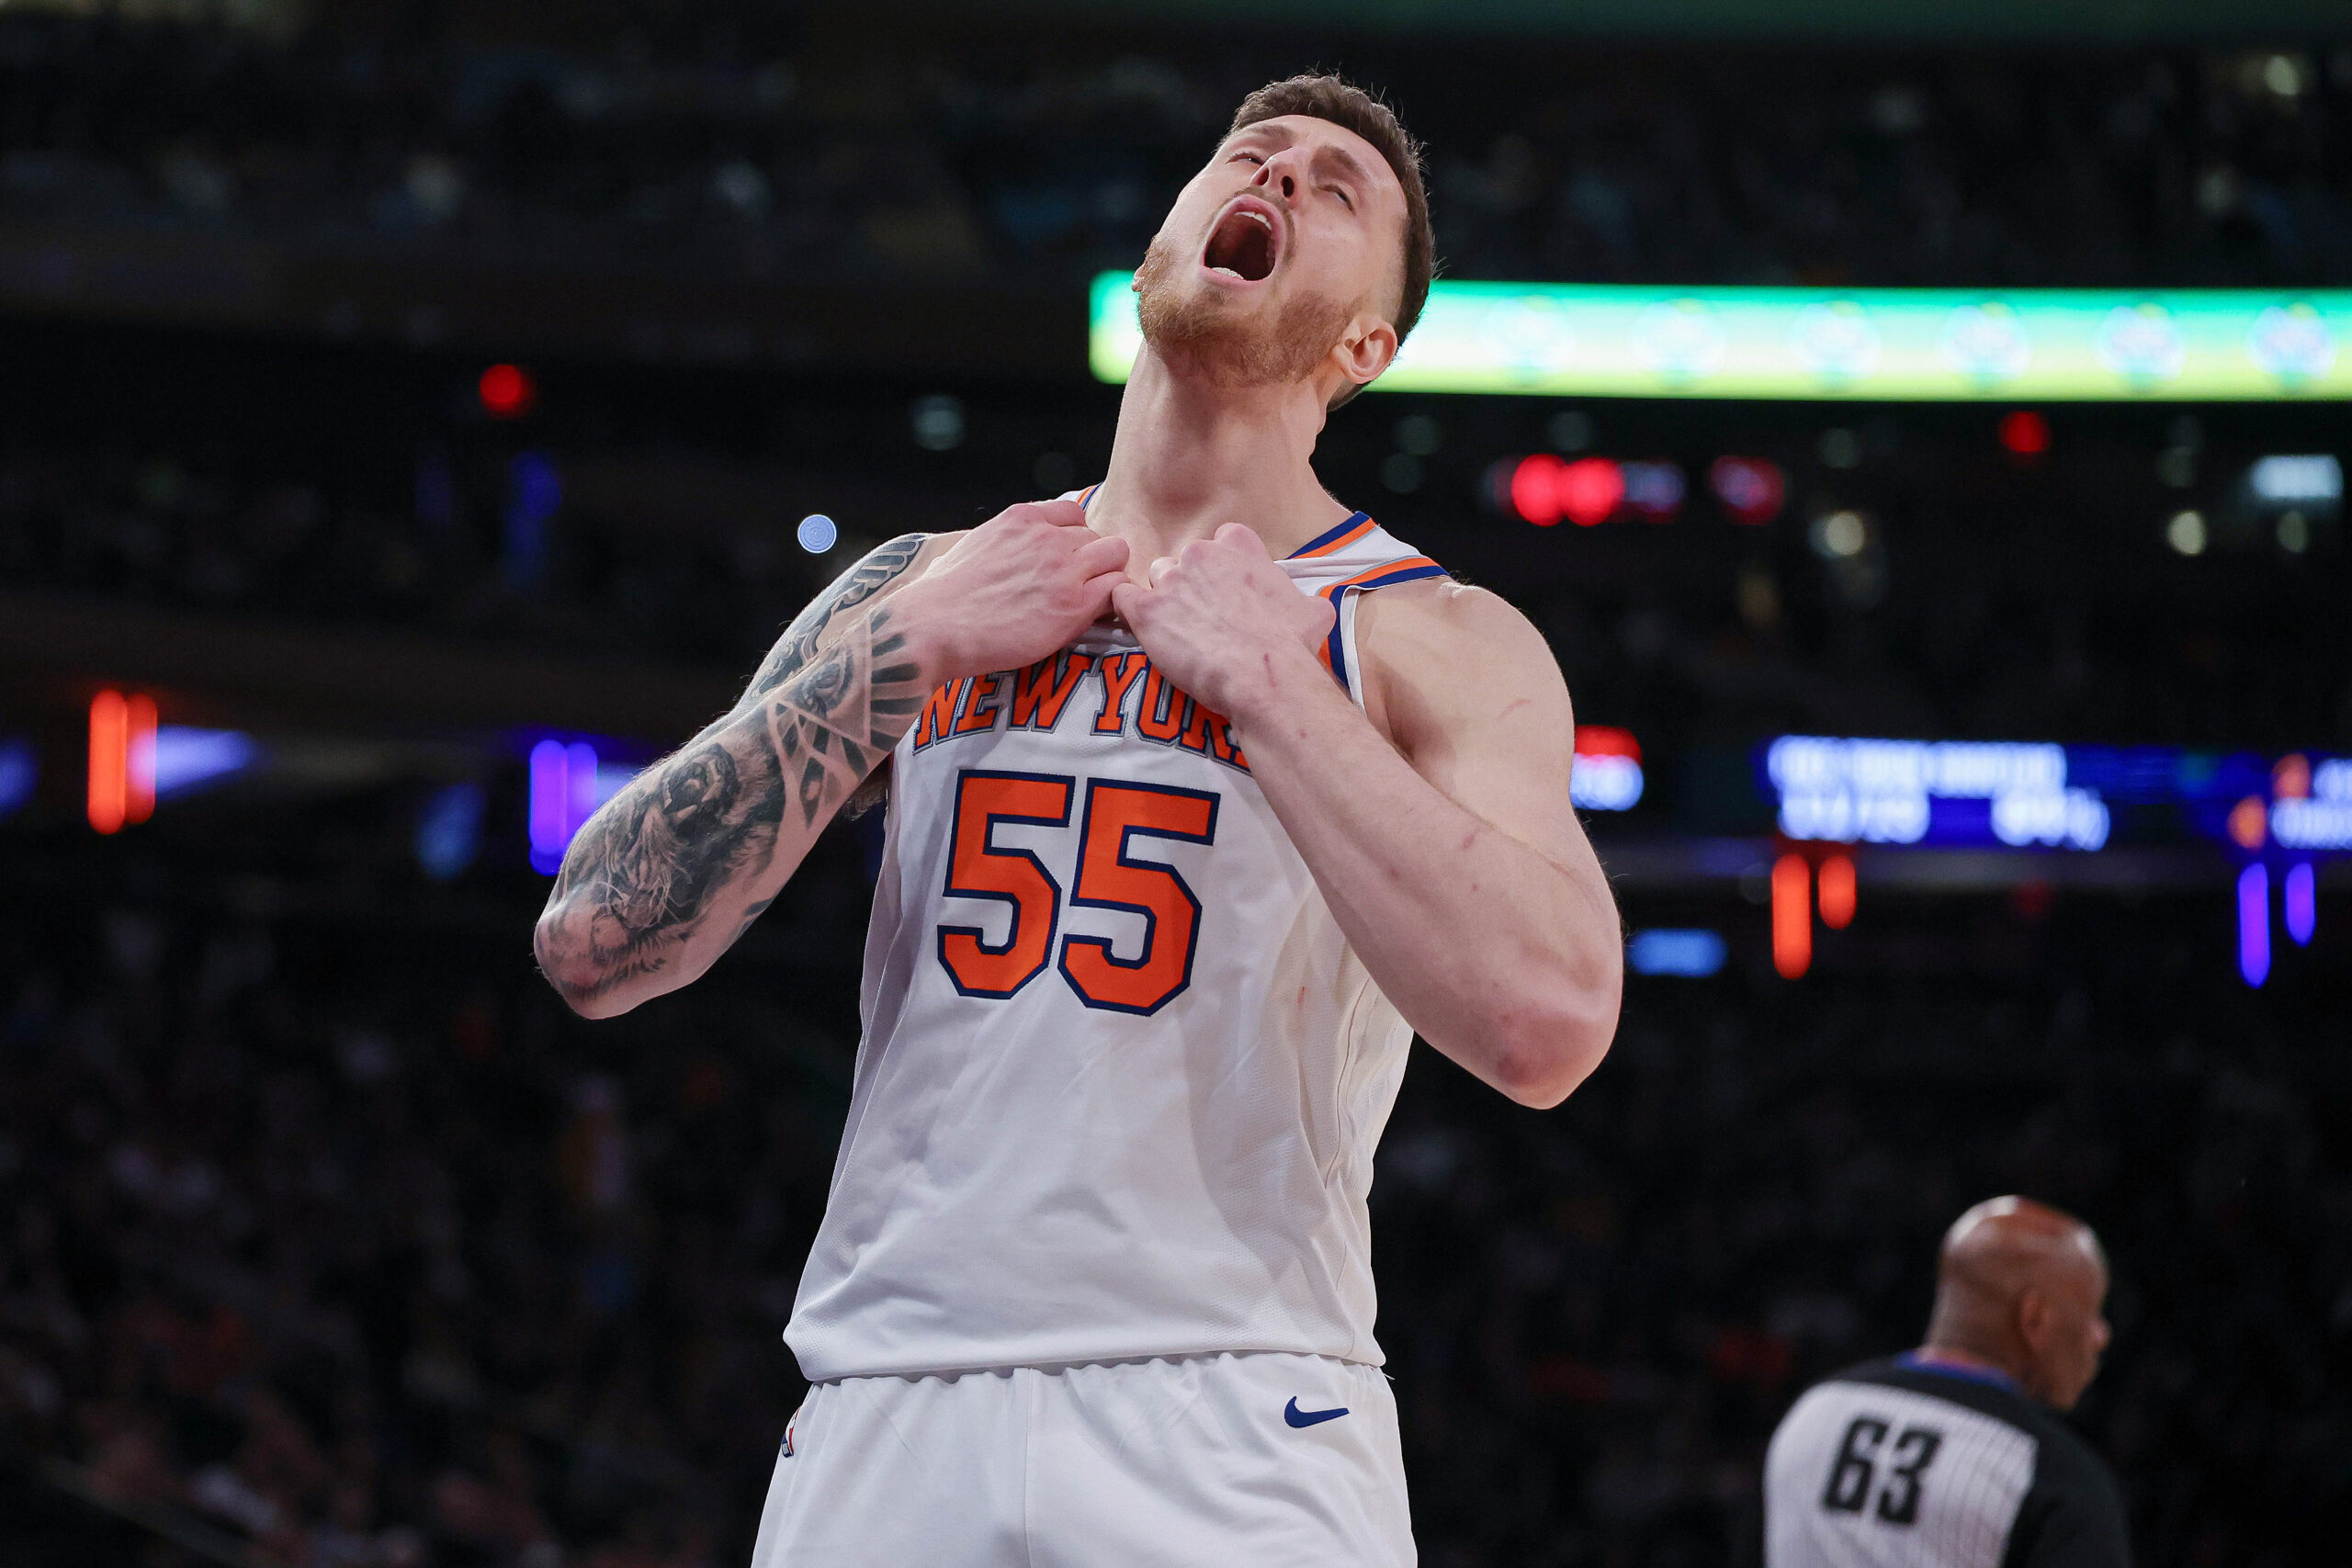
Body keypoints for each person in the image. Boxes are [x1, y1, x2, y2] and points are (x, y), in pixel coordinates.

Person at [534, 73, 1623, 1565]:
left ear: (1367, 342)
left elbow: (1547, 1018)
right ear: (1170, 233)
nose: (1282, 176)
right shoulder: (925, 585)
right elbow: (594, 937)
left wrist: (1275, 692)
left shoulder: (1436, 633)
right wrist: (898, 655)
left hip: (1236, 1407)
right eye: (1250, 157)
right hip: (887, 1389)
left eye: (1336, 187)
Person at [1762, 1196, 2129, 1568]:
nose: (2101, 1336)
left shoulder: (1812, 1412)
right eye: (2091, 1312)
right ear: (2034, 1319)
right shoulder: (2057, 1477)